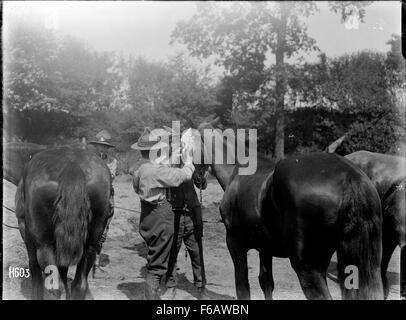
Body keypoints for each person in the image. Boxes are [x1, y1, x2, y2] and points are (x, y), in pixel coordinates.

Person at [131, 127, 195, 300]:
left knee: (154, 255)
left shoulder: (138, 168)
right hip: (161, 216)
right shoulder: (157, 171)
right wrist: (189, 160)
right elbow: (184, 175)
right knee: (157, 268)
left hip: (147, 215)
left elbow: (138, 186)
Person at [88, 130, 117, 254]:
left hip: (105, 191)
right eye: (100, 146)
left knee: (110, 209)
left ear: (108, 148)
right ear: (96, 146)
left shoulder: (112, 161)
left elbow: (111, 177)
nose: (102, 149)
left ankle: (102, 236)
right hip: (91, 191)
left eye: (105, 147)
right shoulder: (89, 159)